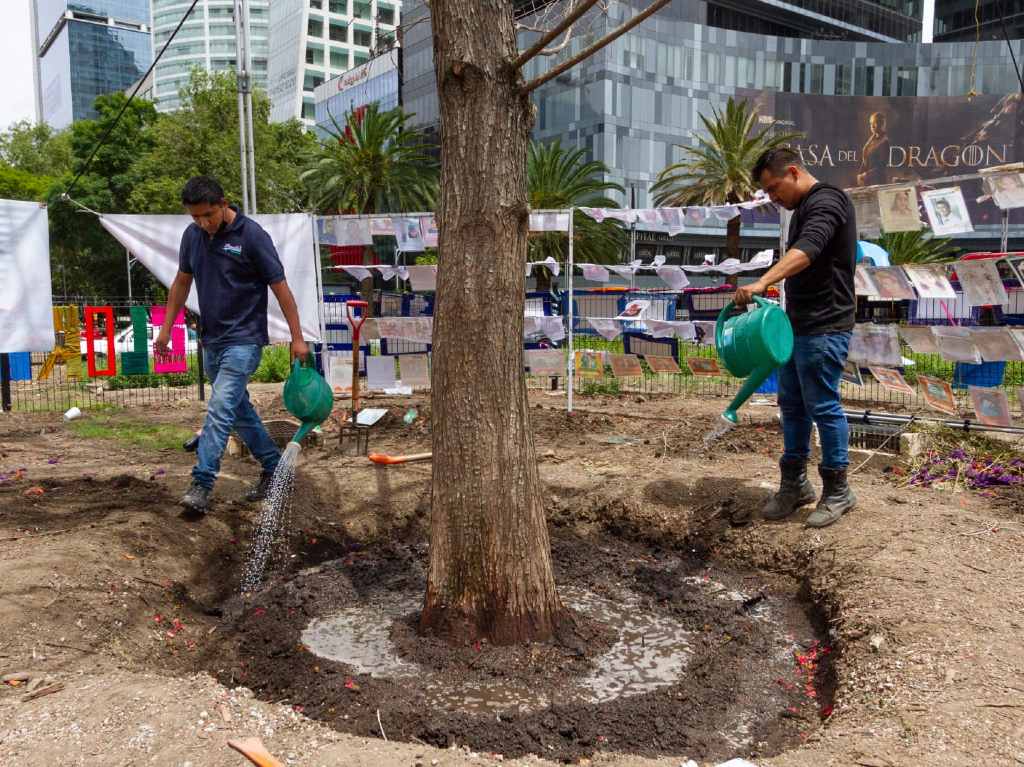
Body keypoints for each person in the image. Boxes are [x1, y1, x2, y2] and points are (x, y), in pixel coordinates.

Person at [156, 176, 310, 516]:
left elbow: (281, 289)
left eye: (208, 215)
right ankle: (275, 467)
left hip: (245, 339)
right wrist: (166, 328)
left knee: (220, 408)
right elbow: (182, 282)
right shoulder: (193, 236)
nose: (202, 223)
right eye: (195, 217)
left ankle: (202, 483)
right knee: (239, 412)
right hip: (212, 340)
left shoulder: (252, 236)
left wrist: (298, 338)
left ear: (224, 204)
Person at [734, 147, 857, 528]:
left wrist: (763, 280)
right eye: (767, 193)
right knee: (791, 404)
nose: (773, 198)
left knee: (823, 405)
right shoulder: (800, 209)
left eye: (774, 189)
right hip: (797, 324)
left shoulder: (827, 202)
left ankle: (838, 490)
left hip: (826, 324)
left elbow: (808, 250)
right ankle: (795, 485)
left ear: (792, 172)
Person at [857, 112, 890, 186]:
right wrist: (860, 174)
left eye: (875, 123)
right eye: (871, 123)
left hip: (878, 181)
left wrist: (866, 174)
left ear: (881, 124)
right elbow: (866, 160)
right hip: (867, 181)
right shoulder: (872, 140)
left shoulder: (885, 142)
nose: (872, 126)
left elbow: (881, 166)